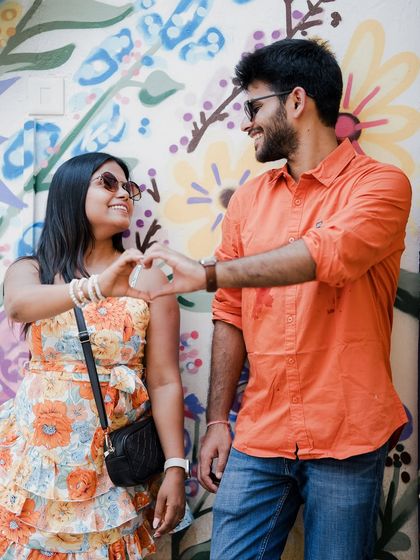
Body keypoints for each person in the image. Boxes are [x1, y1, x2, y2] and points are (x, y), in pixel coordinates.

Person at [141, 38, 412, 560]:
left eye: (253, 106)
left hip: (348, 431)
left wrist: (208, 273)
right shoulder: (247, 199)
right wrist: (218, 419)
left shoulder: (381, 185)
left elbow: (327, 254)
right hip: (260, 433)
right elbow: (230, 313)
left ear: (296, 101)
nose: (246, 123)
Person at [0, 152, 189, 559]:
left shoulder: (149, 279)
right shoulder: (33, 269)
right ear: (71, 191)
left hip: (112, 471)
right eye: (108, 183)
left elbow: (164, 380)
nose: (124, 193)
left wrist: (177, 464)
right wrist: (97, 286)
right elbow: (18, 305)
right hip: (36, 468)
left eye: (128, 187)